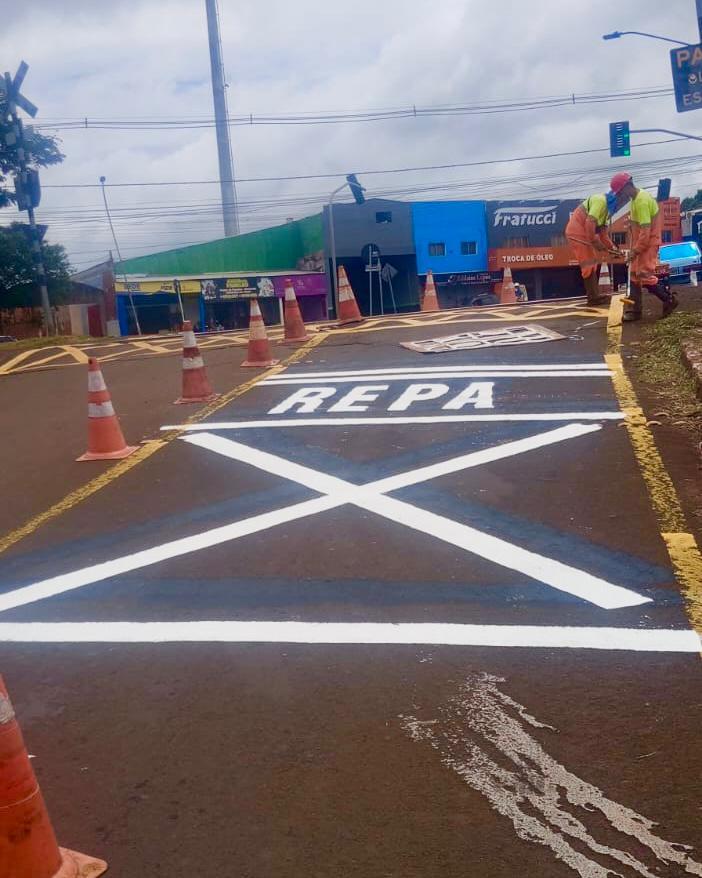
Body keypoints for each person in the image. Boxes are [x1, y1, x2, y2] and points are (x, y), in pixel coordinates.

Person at [609, 172, 678, 321]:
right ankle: (635, 311)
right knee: (634, 276)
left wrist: (635, 251)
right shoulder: (635, 199)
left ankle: (669, 300)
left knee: (644, 277)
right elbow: (638, 229)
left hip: (647, 245)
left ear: (627, 186)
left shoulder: (641, 201)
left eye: (619, 192)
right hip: (642, 246)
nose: (619, 196)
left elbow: (645, 233)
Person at [566, 187, 626, 305]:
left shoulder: (605, 211)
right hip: (576, 233)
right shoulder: (600, 201)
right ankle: (593, 298)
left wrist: (613, 249)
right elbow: (589, 223)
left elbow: (603, 234)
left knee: (592, 262)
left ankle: (594, 296)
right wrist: (594, 241)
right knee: (587, 263)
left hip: (582, 233)